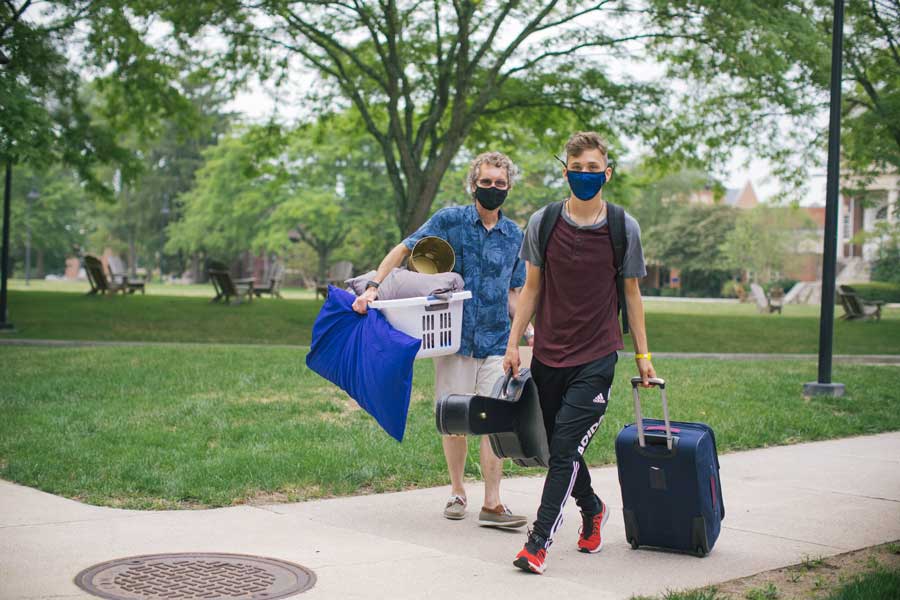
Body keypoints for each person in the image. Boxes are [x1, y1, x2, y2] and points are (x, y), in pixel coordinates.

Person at [353, 151, 532, 528]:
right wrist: (373, 287)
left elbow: (516, 293)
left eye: (500, 184)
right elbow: (405, 248)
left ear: (509, 187)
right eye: (486, 183)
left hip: (496, 342)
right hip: (452, 341)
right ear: (474, 184)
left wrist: (527, 330)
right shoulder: (450, 220)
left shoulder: (516, 235)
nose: (493, 189)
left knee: (494, 420)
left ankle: (493, 503)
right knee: (454, 421)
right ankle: (456, 490)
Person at [503, 132, 655, 573]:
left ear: (607, 173)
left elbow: (632, 295)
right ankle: (592, 508)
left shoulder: (623, 226)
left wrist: (643, 357)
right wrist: (514, 344)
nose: (585, 175)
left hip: (597, 354)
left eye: (593, 168)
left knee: (565, 448)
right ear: (565, 169)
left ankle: (538, 543)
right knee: (557, 449)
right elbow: (531, 289)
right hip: (549, 353)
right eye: (577, 167)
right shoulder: (543, 221)